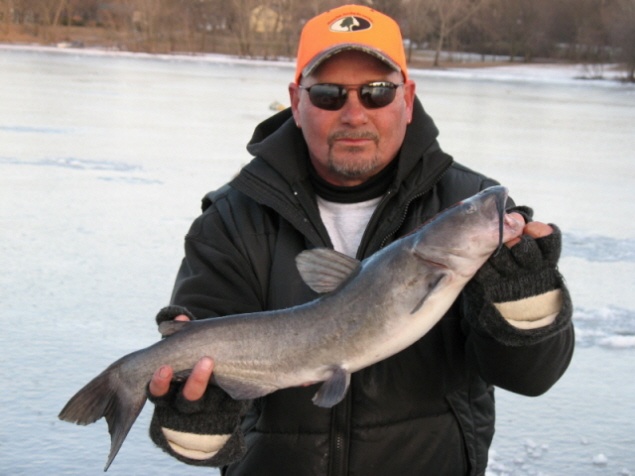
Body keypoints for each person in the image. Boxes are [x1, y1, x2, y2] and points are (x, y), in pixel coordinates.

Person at [146, 4, 574, 475]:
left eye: (377, 92)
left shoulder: (468, 201)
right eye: (329, 94)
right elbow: (197, 442)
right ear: (297, 99)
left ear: (407, 98)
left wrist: (527, 302)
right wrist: (197, 422)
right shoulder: (230, 221)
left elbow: (532, 377)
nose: (354, 113)